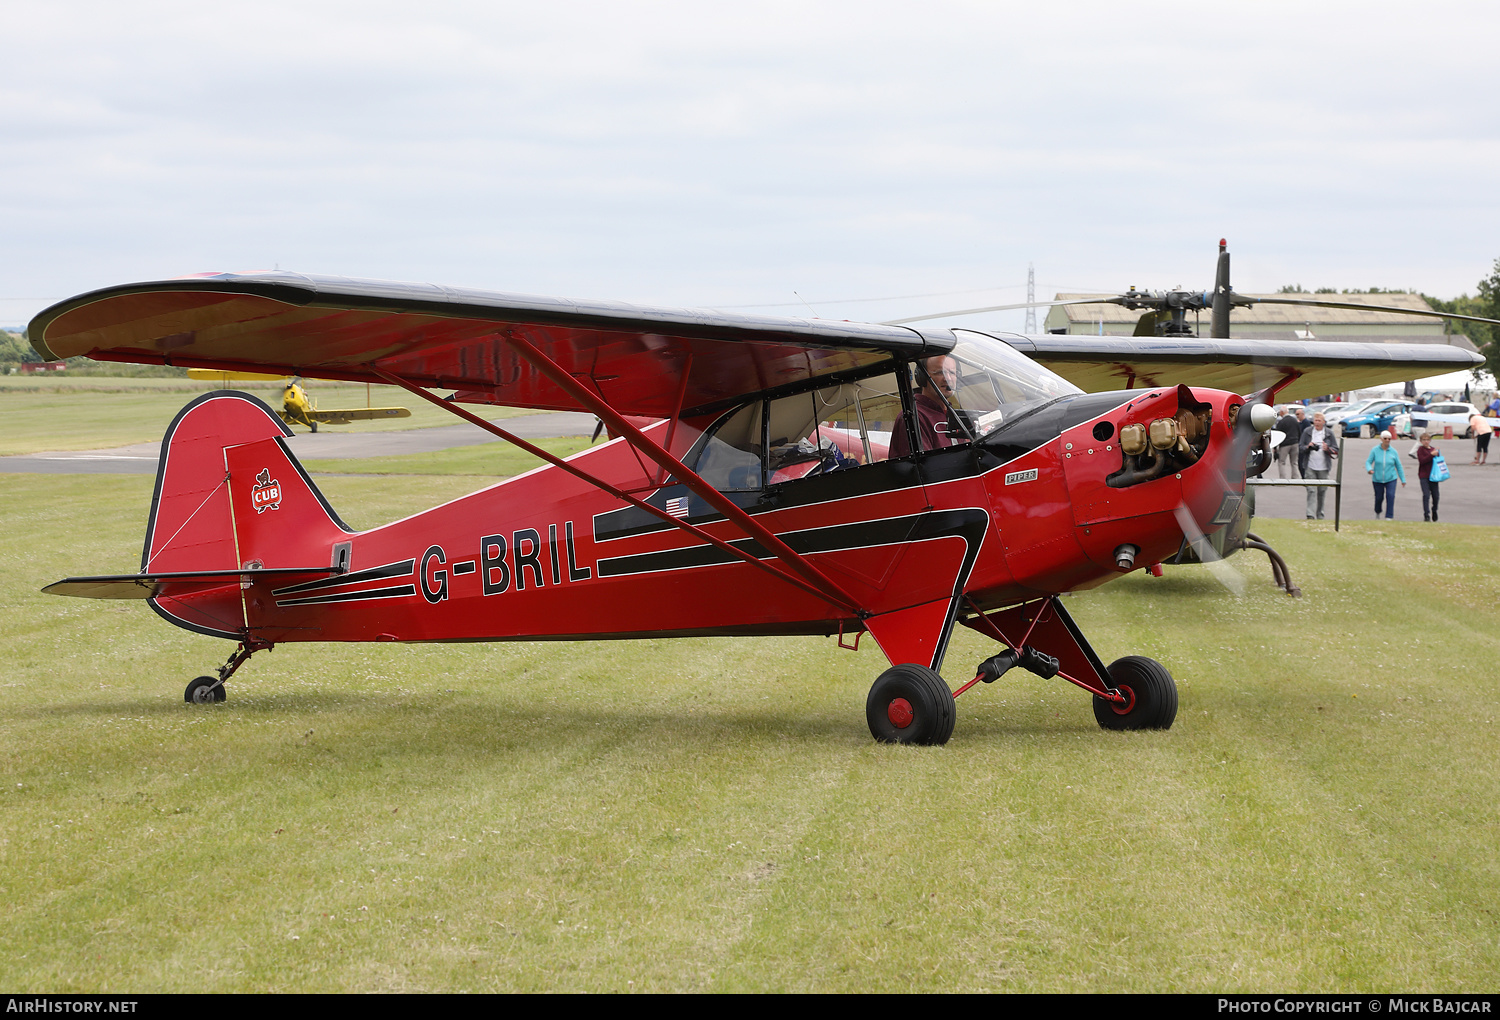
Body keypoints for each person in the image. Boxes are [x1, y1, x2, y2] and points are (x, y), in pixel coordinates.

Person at [888, 355, 963, 458]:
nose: (948, 378)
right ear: (922, 377)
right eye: (940, 372)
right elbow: (924, 467)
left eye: (952, 372)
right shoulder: (913, 416)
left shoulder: (955, 415)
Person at [1298, 412, 1338, 520]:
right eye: (1315, 420)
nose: (1316, 422)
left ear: (1324, 422)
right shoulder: (1307, 432)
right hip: (1310, 466)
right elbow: (1300, 447)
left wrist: (1327, 449)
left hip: (1324, 467)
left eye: (1319, 421)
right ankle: (1310, 515)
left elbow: (1336, 450)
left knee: (1322, 492)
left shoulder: (1329, 433)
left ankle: (1320, 514)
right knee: (1311, 490)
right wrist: (1308, 446)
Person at [1365, 430, 1406, 519]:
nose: (1387, 440)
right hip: (1377, 479)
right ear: (1381, 439)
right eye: (1385, 438)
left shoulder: (1393, 452)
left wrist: (1403, 479)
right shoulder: (1375, 450)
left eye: (1389, 439)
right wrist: (1369, 469)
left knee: (1390, 496)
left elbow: (1398, 466)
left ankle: (1389, 516)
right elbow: (1368, 462)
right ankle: (1378, 511)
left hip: (1391, 478)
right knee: (1379, 497)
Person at [1415, 431, 1442, 522]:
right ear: (1421, 441)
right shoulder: (1420, 450)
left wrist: (1437, 454)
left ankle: (1434, 510)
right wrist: (1431, 455)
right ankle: (1426, 514)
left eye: (1427, 440)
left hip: (1434, 476)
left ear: (1430, 440)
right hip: (1424, 476)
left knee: (1436, 496)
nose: (1426, 441)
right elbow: (1422, 461)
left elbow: (1439, 461)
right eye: (1424, 440)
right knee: (1426, 495)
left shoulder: (1433, 449)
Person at [1274, 405, 1302, 479]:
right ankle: (1295, 478)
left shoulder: (1281, 422)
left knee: (1282, 462)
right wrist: (1298, 441)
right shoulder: (1294, 420)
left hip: (1285, 444)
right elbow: (1299, 431)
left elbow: (1277, 435)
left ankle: (1283, 479)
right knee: (1294, 462)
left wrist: (1275, 447)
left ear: (1282, 412)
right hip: (1295, 443)